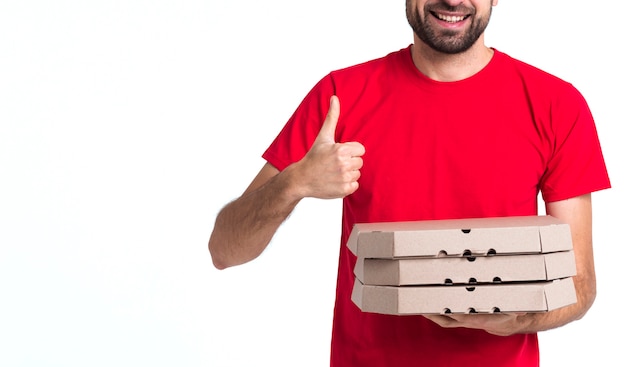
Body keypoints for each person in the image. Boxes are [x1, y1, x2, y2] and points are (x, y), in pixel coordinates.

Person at [208, 0, 611, 365]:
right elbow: (225, 249)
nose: (453, 1)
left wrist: (513, 320)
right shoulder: (341, 96)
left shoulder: (556, 104)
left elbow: (580, 283)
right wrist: (293, 183)